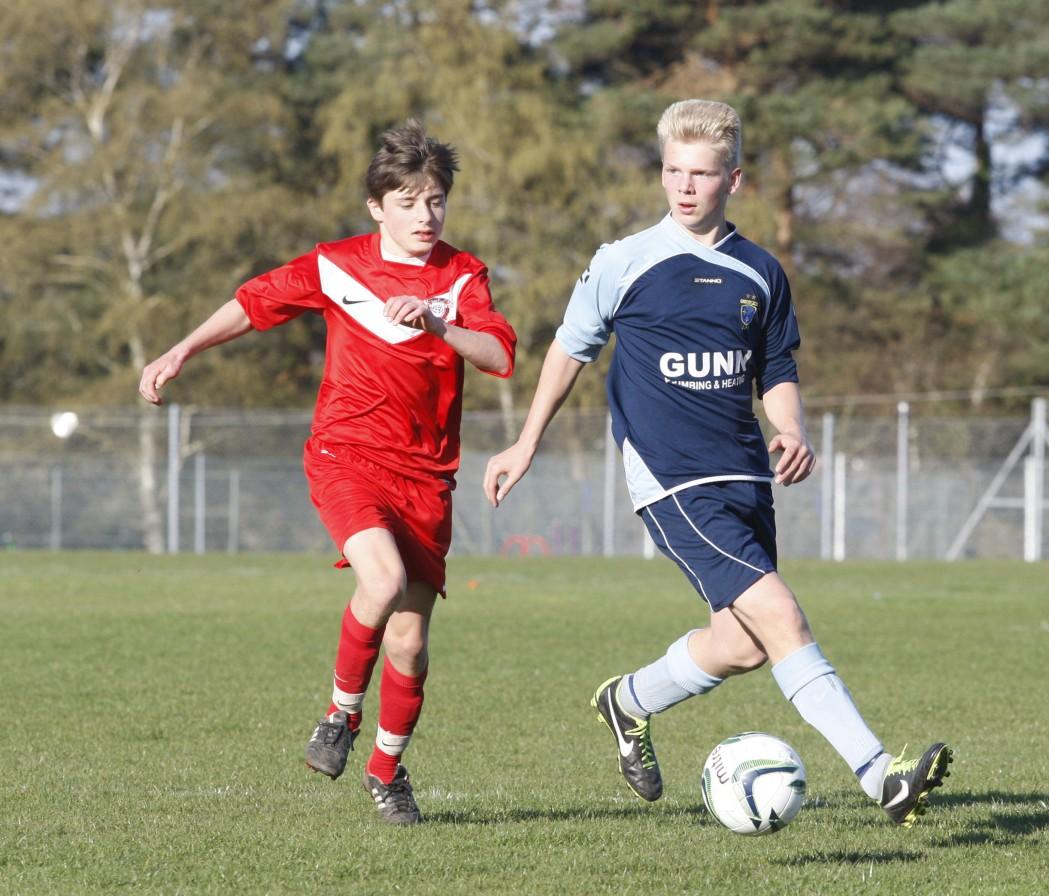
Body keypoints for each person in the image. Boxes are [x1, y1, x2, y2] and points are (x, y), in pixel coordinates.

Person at [483, 99, 951, 827]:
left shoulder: (760, 270)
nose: (685, 185)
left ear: (734, 178)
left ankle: (627, 701)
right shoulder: (623, 260)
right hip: (671, 479)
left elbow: (778, 367)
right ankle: (879, 775)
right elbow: (570, 349)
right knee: (780, 611)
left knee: (741, 645)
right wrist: (526, 442)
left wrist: (789, 429)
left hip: (746, 474)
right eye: (674, 170)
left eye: (702, 173)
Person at [139, 120, 517, 826]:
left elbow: (497, 356)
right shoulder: (337, 265)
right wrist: (179, 351)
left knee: (408, 639)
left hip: (427, 477)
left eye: (435, 200)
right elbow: (252, 304)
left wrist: (439, 325)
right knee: (382, 580)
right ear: (377, 207)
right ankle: (340, 713)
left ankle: (385, 769)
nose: (424, 216)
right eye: (407, 202)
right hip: (347, 455)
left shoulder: (463, 276)